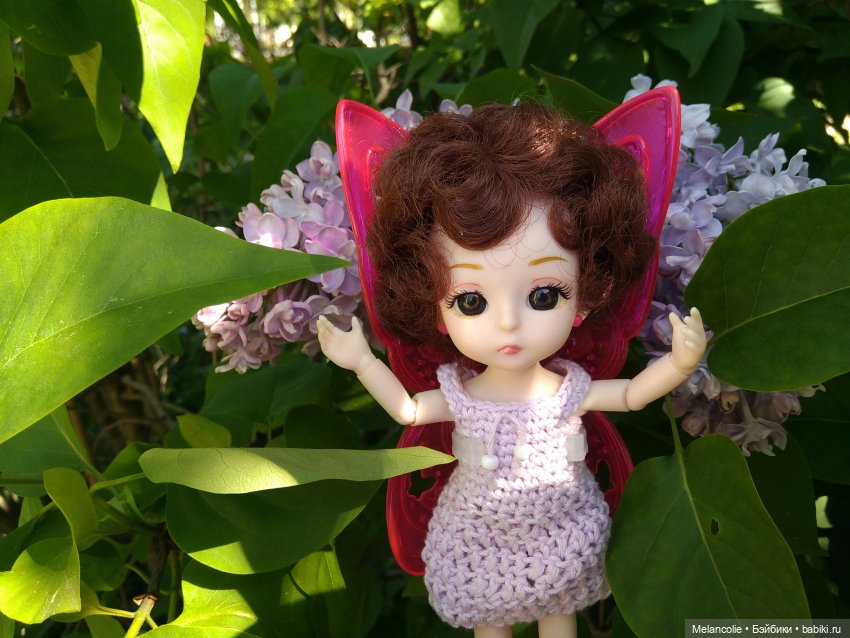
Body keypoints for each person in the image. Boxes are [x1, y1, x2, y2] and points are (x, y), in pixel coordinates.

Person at [318, 103, 705, 638]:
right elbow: (408, 410)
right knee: (488, 616)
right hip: (478, 528)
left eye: (544, 295)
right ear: (434, 309)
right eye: (471, 301)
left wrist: (680, 362)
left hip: (562, 527)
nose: (508, 324)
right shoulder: (465, 393)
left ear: (586, 295)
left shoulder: (566, 390)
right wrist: (361, 360)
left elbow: (633, 395)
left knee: (560, 613)